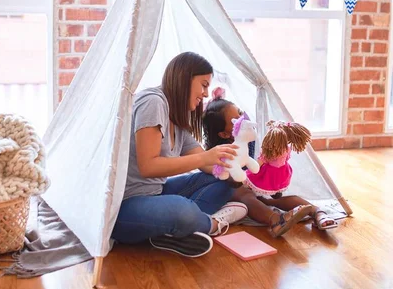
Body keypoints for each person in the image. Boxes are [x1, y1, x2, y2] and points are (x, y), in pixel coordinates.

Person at [112, 52, 248, 258]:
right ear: (185, 77)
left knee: (220, 181)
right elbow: (148, 166)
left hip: (154, 193)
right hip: (125, 206)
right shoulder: (153, 102)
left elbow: (207, 164)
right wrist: (205, 158)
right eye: (203, 85)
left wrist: (238, 175)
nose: (205, 93)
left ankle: (170, 231)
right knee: (181, 210)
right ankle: (212, 224)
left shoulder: (177, 116)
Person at [203, 92, 338, 235]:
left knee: (270, 200)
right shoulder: (218, 152)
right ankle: (276, 220)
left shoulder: (249, 139)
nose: (243, 120)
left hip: (252, 181)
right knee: (246, 196)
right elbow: (224, 176)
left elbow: (256, 164)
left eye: (241, 113)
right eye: (236, 120)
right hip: (231, 186)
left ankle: (316, 211)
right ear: (224, 134)